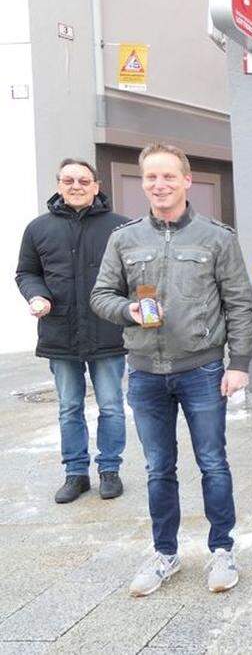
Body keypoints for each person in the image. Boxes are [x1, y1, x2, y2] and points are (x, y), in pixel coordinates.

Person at [91, 143, 252, 597]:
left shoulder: (217, 237)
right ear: (142, 183)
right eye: (151, 178)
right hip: (144, 372)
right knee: (158, 467)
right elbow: (101, 295)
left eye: (168, 177)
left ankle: (222, 549)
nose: (159, 185)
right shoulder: (124, 239)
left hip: (201, 370)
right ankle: (165, 553)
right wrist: (128, 311)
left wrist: (238, 363)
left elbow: (239, 303)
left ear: (187, 181)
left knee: (213, 463)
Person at [15, 159, 129, 503]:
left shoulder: (120, 228)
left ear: (96, 186)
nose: (76, 185)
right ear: (59, 185)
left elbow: (134, 276)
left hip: (107, 330)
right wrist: (36, 294)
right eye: (68, 180)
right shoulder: (38, 228)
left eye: (83, 180)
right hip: (59, 330)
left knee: (111, 405)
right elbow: (27, 272)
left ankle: (109, 470)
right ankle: (75, 473)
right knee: (68, 406)